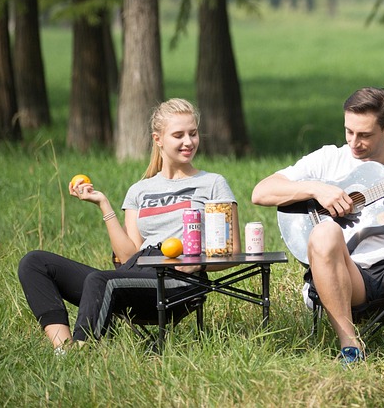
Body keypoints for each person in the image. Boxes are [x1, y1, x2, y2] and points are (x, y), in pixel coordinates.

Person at [251, 86, 384, 373]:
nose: (354, 142)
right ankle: (351, 349)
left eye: (364, 134)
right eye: (348, 131)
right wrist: (316, 189)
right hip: (347, 272)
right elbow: (261, 192)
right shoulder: (328, 159)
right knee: (325, 232)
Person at [18, 98, 240, 350]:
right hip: (136, 272)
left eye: (193, 133)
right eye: (178, 135)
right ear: (158, 139)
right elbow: (127, 255)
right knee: (34, 262)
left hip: (178, 281)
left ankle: (81, 351)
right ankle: (64, 349)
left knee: (100, 281)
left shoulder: (213, 184)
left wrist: (199, 263)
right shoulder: (139, 190)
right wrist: (103, 204)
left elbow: (232, 252)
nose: (189, 142)